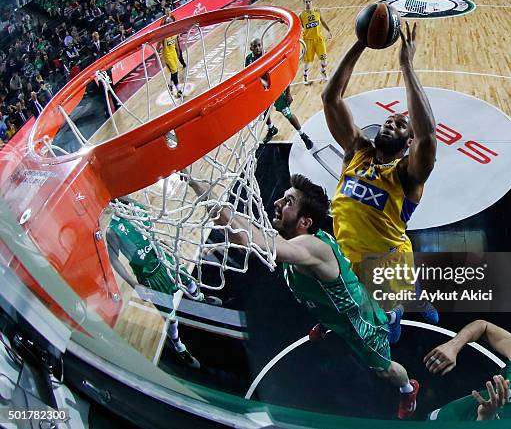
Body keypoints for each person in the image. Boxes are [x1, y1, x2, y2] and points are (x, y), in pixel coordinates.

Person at [189, 175, 420, 419]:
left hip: (360, 322)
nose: (277, 202)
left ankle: (408, 389)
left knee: (384, 370)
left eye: (288, 202)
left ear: (305, 222)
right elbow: (254, 236)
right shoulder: (296, 239)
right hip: (335, 306)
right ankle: (386, 316)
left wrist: (199, 185)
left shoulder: (311, 248)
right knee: (332, 306)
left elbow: (249, 239)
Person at [321, 22, 438, 322]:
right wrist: (362, 41)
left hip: (387, 263)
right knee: (360, 319)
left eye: (400, 125)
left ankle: (409, 302)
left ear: (408, 142)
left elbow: (427, 137)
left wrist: (406, 64)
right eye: (388, 121)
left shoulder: (407, 175)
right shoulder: (357, 150)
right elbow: (330, 98)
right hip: (348, 258)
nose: (390, 124)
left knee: (387, 323)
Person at [106, 198, 222, 368]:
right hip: (150, 277)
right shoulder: (112, 230)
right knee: (170, 317)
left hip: (163, 261)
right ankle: (179, 347)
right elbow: (114, 260)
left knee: (189, 281)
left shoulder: (139, 207)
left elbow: (152, 235)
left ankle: (201, 298)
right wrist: (134, 284)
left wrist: (166, 245)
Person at [245, 38, 313, 148]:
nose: (257, 48)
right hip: (262, 92)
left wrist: (288, 93)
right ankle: (272, 129)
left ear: (262, 46)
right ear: (251, 48)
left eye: (259, 45)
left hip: (275, 90)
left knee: (288, 114)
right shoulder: (248, 59)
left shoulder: (270, 57)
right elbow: (248, 76)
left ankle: (303, 135)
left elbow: (284, 74)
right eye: (255, 46)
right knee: (264, 112)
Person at [299, 0, 332, 84]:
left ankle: (323, 71)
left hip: (319, 39)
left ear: (312, 2)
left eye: (309, 1)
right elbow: (299, 28)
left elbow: (322, 21)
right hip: (308, 41)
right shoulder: (301, 16)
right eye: (306, 2)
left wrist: (328, 30)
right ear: (304, 3)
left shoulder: (317, 11)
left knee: (324, 60)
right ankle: (305, 76)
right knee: (307, 62)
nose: (308, 3)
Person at [159, 15, 182, 98]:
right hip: (167, 55)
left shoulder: (175, 31)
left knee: (175, 72)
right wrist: (158, 56)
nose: (170, 22)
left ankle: (170, 85)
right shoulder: (164, 35)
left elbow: (176, 42)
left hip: (173, 53)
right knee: (175, 71)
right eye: (168, 22)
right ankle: (178, 90)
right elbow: (158, 46)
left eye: (171, 21)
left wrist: (178, 51)